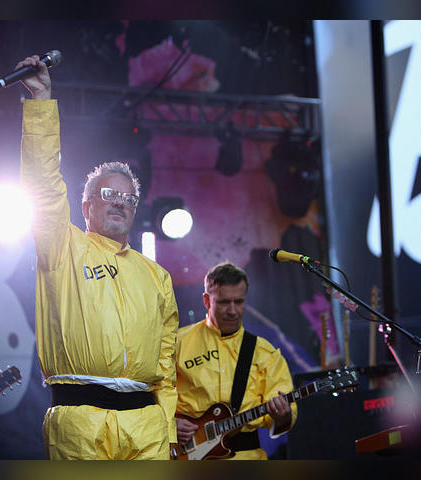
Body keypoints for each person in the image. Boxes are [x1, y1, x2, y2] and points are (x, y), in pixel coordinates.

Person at [16, 54, 179, 460]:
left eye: (128, 198)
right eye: (108, 195)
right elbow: (42, 185)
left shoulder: (156, 276)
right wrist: (40, 102)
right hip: (80, 423)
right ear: (86, 206)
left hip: (147, 429)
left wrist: (169, 428)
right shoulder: (62, 245)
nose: (119, 203)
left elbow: (166, 363)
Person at [174, 262, 297, 460]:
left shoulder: (264, 352)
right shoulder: (178, 343)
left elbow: (281, 423)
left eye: (239, 302)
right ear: (207, 301)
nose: (233, 310)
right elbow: (155, 395)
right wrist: (170, 424)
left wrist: (283, 414)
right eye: (223, 302)